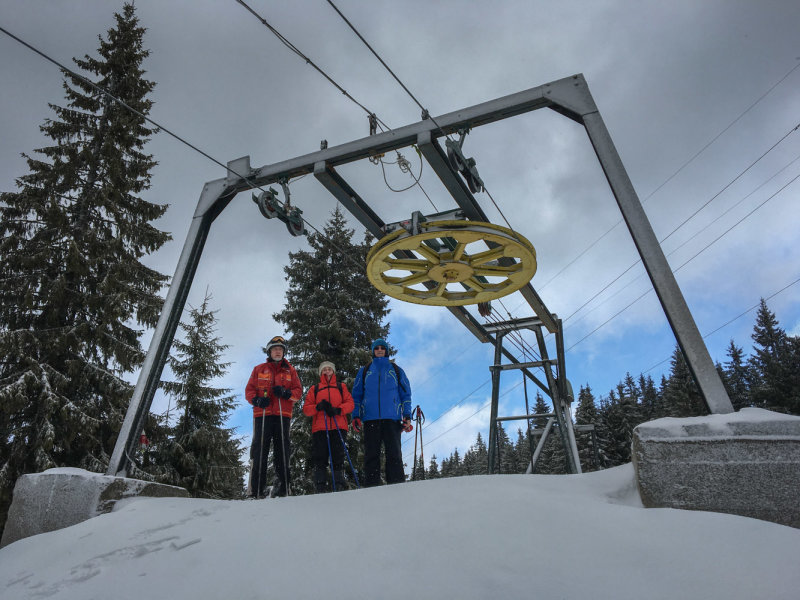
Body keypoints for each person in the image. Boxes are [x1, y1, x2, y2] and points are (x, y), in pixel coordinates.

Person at [245, 335, 302, 498]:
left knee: (282, 451)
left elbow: (298, 392)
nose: (278, 352)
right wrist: (256, 400)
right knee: (260, 451)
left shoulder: (291, 371)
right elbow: (249, 390)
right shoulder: (259, 369)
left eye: (280, 350)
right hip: (262, 415)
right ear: (269, 352)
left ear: (284, 352)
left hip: (282, 415)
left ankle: (283, 488)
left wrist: (286, 393)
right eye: (275, 349)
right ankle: (256, 490)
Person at [351, 338, 412, 486]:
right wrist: (356, 415)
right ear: (373, 351)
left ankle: (397, 486)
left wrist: (407, 415)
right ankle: (371, 487)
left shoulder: (396, 370)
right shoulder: (365, 371)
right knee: (371, 455)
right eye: (376, 348)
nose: (379, 350)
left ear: (386, 351)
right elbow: (356, 395)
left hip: (392, 418)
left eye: (382, 348)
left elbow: (406, 395)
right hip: (370, 418)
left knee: (394, 454)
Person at [302, 361, 354, 493]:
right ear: (321, 373)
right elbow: (306, 409)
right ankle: (320, 485)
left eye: (329, 369)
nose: (327, 371)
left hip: (338, 426)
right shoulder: (315, 389)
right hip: (320, 427)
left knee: (338, 456)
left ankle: (339, 483)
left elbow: (350, 404)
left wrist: (338, 410)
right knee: (320, 457)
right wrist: (317, 407)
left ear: (333, 371)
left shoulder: (341, 386)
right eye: (324, 369)